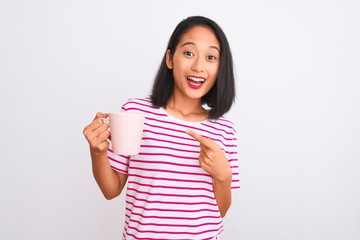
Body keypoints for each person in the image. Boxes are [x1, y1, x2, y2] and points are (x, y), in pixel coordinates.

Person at [83, 15, 240, 240]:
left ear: (220, 67)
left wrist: (224, 176)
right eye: (188, 53)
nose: (198, 66)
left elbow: (220, 212)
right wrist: (97, 152)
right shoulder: (135, 113)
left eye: (211, 57)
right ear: (170, 58)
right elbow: (111, 190)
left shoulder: (224, 130)